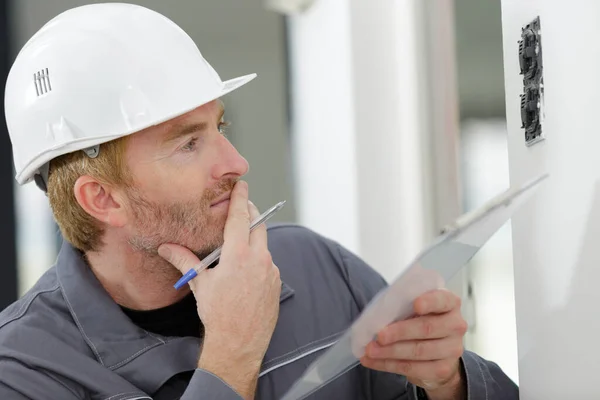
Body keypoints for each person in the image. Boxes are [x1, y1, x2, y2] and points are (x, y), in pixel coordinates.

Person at [0, 3, 519, 400]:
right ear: (102, 198)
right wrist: (230, 358)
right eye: (188, 143)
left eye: (218, 127)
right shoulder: (23, 369)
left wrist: (449, 382)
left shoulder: (317, 267)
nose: (236, 162)